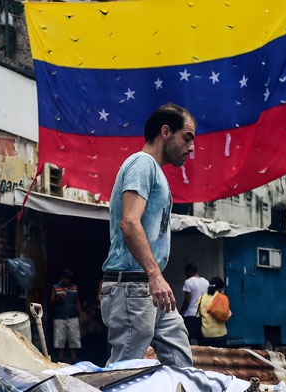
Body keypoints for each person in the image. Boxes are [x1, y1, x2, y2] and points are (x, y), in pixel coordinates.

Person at [99, 103, 196, 367]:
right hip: (134, 286)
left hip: (151, 289)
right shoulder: (142, 164)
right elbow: (129, 222)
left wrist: (156, 278)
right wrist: (155, 275)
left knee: (182, 364)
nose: (192, 148)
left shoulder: (156, 172)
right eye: (187, 137)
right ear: (166, 132)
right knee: (123, 370)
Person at [50, 268, 81, 362]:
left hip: (73, 315)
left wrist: (80, 313)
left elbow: (77, 301)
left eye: (69, 278)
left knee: (74, 337)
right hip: (60, 316)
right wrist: (59, 298)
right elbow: (52, 301)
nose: (68, 280)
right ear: (62, 278)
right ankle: (60, 358)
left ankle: (74, 358)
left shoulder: (74, 287)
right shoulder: (56, 287)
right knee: (60, 338)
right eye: (66, 278)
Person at [179, 263, 209, 344]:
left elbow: (187, 300)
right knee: (200, 338)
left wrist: (181, 312)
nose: (185, 274)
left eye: (186, 272)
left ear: (189, 271)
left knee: (187, 338)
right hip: (202, 313)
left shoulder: (188, 282)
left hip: (190, 314)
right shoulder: (206, 282)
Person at [196, 277, 230, 347]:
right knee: (220, 356)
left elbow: (198, 315)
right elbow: (226, 315)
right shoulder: (221, 298)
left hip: (205, 334)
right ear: (220, 288)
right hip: (220, 334)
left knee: (207, 357)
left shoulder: (201, 298)